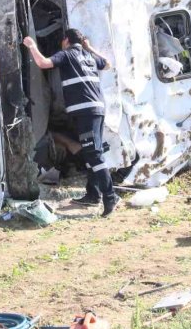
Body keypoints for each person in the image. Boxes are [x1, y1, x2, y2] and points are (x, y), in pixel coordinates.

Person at [22, 29, 120, 217]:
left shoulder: (67, 54)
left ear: (65, 40)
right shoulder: (89, 56)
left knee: (94, 154)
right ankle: (93, 194)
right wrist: (89, 48)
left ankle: (110, 195)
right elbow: (107, 64)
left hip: (85, 111)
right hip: (97, 109)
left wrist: (32, 46)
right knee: (92, 152)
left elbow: (43, 63)